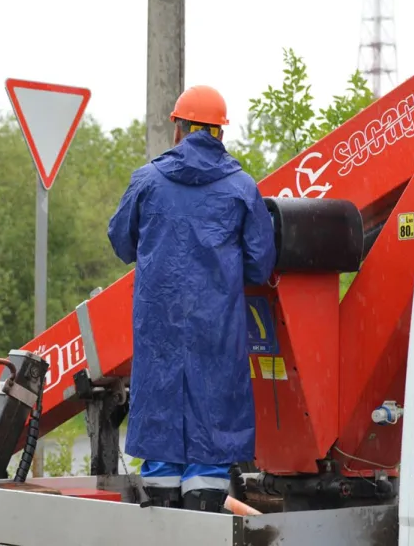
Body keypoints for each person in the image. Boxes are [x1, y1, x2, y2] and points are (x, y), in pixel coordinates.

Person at [106, 85, 277, 512]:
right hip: (217, 326)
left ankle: (162, 505)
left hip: (158, 323)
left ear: (178, 129)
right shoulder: (241, 188)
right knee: (213, 413)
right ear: (221, 133)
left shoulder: (147, 180)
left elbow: (121, 242)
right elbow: (260, 263)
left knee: (160, 406)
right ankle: (203, 506)